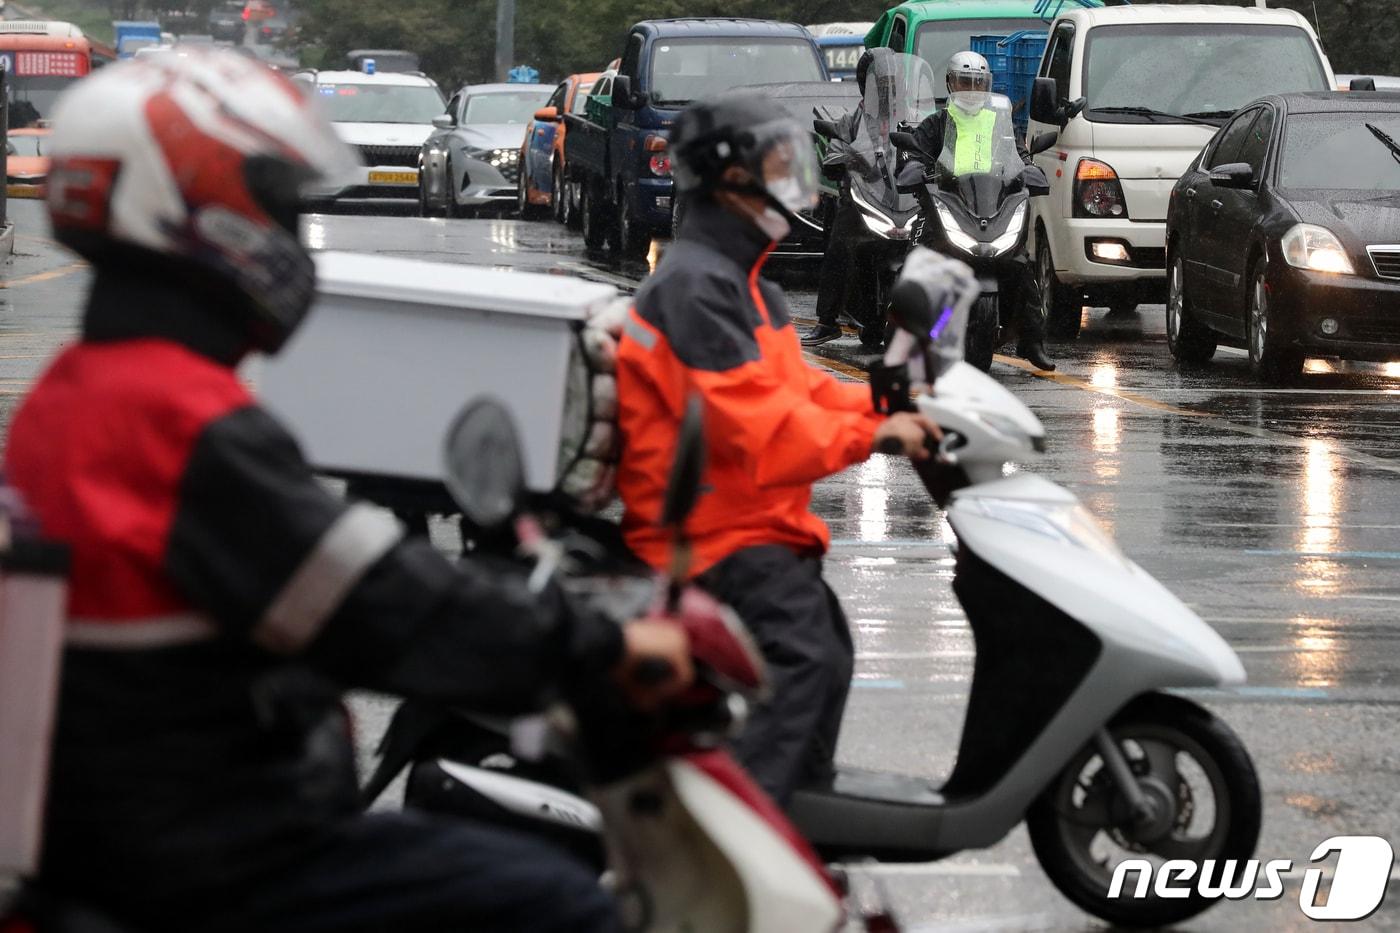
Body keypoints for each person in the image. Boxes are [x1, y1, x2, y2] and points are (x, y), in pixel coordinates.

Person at [5, 50, 692, 933]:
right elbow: (384, 607)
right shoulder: (173, 419)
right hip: (216, 855)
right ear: (200, 215)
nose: (293, 241)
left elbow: (301, 568)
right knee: (555, 901)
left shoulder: (78, 392)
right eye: (281, 210)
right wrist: (603, 643)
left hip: (138, 831)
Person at [614, 92, 940, 805]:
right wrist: (876, 431)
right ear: (731, 181)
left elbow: (802, 393)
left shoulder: (742, 285)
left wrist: (889, 402)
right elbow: (760, 432)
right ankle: (748, 830)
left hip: (749, 526)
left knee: (830, 651)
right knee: (803, 661)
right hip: (704, 538)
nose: (795, 182)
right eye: (777, 166)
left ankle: (801, 806)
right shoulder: (693, 288)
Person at [910, 50, 1057, 371]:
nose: (971, 89)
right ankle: (911, 334)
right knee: (919, 257)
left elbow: (1019, 155)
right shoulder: (937, 122)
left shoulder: (999, 123)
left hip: (990, 205)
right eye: (965, 82)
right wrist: (915, 169)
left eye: (978, 82)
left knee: (1020, 265)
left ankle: (1032, 341)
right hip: (948, 205)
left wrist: (1030, 168)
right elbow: (916, 155)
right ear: (951, 84)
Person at [802, 48, 882, 348]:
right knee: (840, 245)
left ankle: (945, 322)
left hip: (900, 199)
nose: (881, 87)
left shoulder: (908, 117)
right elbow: (838, 144)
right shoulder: (856, 117)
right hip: (864, 199)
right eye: (876, 81)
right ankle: (827, 321)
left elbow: (922, 145)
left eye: (885, 82)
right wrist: (841, 158)